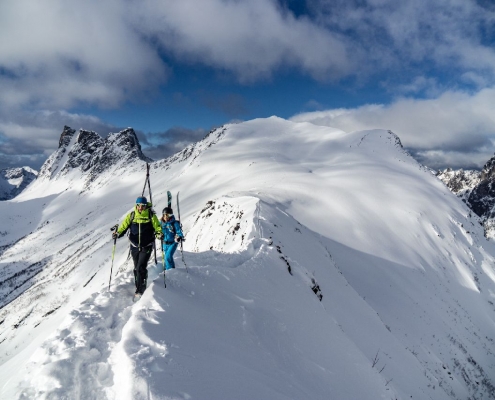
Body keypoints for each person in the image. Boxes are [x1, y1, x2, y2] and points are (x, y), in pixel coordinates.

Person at [112, 196, 163, 297]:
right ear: (136, 205)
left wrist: (159, 234)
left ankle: (140, 290)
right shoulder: (132, 216)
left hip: (147, 246)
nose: (141, 208)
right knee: (136, 268)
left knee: (140, 267)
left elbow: (157, 227)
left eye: (143, 206)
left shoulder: (150, 216)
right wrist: (117, 234)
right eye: (139, 205)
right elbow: (124, 227)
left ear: (146, 206)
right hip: (134, 246)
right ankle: (139, 285)